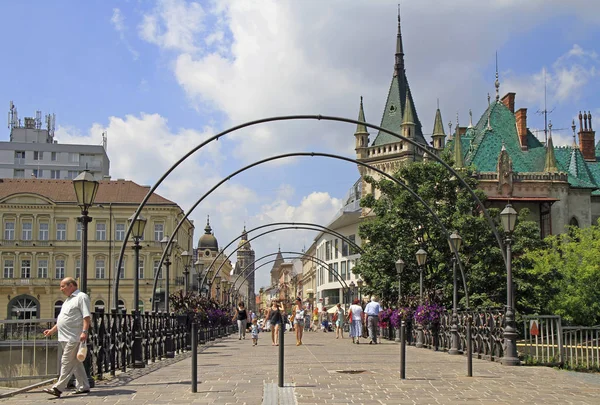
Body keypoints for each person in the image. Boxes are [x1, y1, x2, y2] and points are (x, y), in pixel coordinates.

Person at [42, 277, 91, 398]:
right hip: (64, 336)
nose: (61, 289)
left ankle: (58, 388)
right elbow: (63, 319)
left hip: (74, 336)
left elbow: (86, 316)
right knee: (76, 363)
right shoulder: (68, 300)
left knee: (66, 361)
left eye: (63, 286)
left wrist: (84, 331)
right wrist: (52, 331)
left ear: (71, 286)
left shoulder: (81, 297)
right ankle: (83, 386)